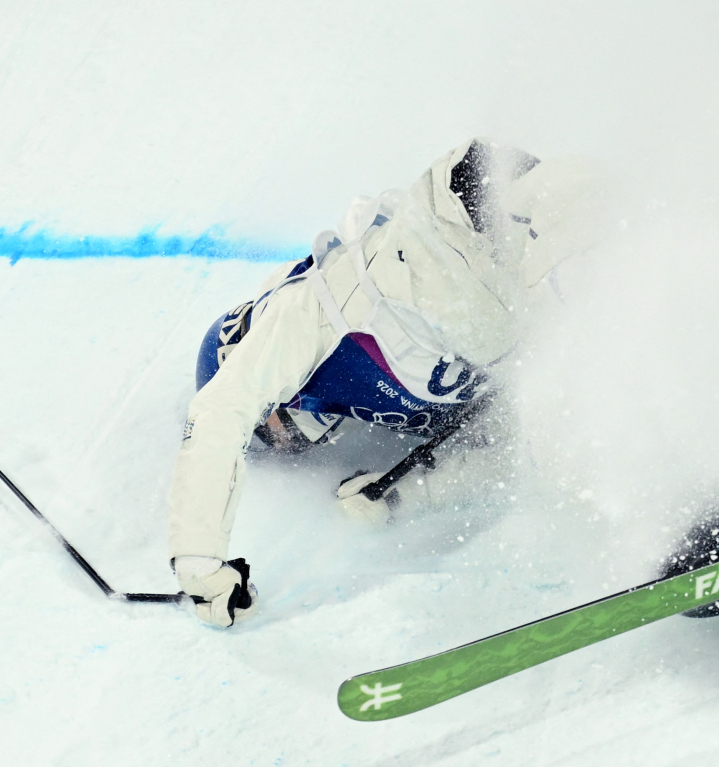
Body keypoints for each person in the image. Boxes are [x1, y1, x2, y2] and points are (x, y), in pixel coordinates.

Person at [168, 138, 610, 626]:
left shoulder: (295, 314)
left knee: (589, 246)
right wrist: (407, 495)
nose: (289, 440)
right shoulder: (383, 404)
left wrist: (200, 567)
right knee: (573, 426)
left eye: (270, 429)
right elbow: (506, 453)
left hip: (466, 227)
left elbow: (218, 413)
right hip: (526, 302)